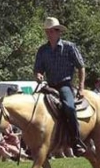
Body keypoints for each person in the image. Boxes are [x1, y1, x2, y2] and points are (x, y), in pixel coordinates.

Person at [34, 17, 86, 157]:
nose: (49, 34)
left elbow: (81, 67)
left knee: (69, 107)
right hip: (49, 86)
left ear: (58, 32)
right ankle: (31, 142)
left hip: (64, 84)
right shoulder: (42, 50)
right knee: (33, 107)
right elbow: (38, 69)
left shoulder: (69, 47)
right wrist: (38, 75)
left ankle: (76, 141)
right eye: (47, 31)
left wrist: (81, 88)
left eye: (52, 31)